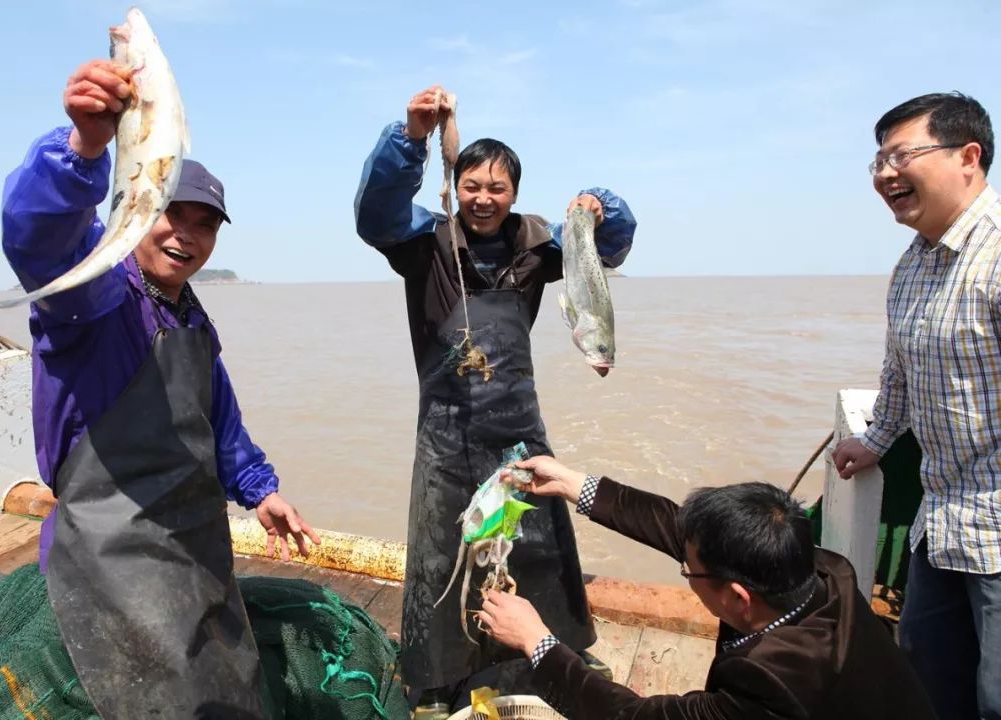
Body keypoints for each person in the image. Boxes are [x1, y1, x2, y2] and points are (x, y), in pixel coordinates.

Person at [1, 59, 320, 719]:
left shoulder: (192, 320)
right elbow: (38, 239)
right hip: (110, 555)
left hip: (196, 545)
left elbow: (218, 423)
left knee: (232, 687)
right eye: (171, 213)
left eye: (205, 224)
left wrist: (262, 490)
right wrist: (84, 150)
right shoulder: (95, 296)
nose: (186, 235)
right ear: (135, 209)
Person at [353, 85, 637, 712]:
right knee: (440, 553)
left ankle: (555, 650)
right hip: (446, 433)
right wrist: (410, 138)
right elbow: (374, 215)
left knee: (536, 545)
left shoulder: (537, 245)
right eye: (472, 186)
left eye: (498, 188)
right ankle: (435, 677)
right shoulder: (425, 243)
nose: (483, 199)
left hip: (518, 427)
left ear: (514, 192)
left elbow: (610, 245)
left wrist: (600, 207)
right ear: (458, 184)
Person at [476, 456, 937, 719]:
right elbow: (682, 531)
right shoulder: (819, 569)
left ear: (737, 597)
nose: (685, 561)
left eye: (689, 571)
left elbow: (632, 718)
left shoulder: (769, 686)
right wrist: (576, 484)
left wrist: (536, 642)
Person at [831, 92, 1001, 719]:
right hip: (941, 522)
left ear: (969, 157)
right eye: (878, 160)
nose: (884, 174)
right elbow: (898, 375)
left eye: (902, 155)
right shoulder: (913, 265)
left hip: (999, 537)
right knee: (929, 682)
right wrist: (874, 441)